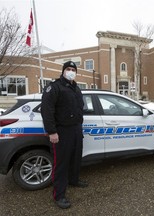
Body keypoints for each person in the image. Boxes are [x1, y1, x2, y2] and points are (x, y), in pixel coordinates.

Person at [41, 61, 88, 209]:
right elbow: (47, 110)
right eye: (68, 69)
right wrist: (52, 131)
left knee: (75, 158)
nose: (70, 71)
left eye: (73, 69)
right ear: (63, 71)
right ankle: (59, 195)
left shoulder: (76, 89)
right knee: (61, 163)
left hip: (76, 129)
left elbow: (79, 108)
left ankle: (74, 180)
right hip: (61, 131)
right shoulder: (54, 87)